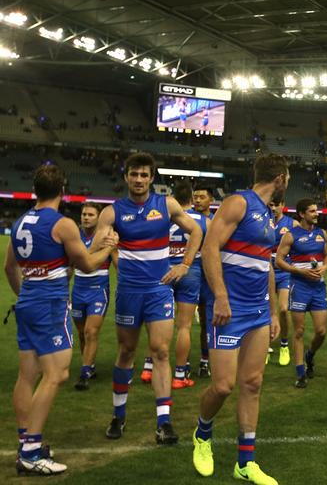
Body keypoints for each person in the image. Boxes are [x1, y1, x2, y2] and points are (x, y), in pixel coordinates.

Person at [4, 165, 117, 475]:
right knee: (57, 374)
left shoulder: (19, 221)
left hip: (27, 303)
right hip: (49, 305)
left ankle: (25, 439)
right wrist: (107, 247)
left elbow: (9, 268)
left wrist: (24, 294)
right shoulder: (63, 224)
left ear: (35, 190)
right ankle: (31, 451)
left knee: (27, 375)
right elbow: (88, 265)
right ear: (63, 190)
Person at [192, 154, 287, 484]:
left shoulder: (269, 216)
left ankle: (245, 463)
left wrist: (274, 311)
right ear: (280, 178)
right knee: (222, 386)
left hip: (258, 310)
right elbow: (209, 248)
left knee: (253, 383)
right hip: (229, 310)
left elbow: (266, 265)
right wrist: (220, 295)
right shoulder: (238, 203)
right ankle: (202, 434)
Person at [95, 152, 203, 444]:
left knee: (161, 351)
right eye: (134, 174)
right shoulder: (112, 212)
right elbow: (94, 248)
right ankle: (118, 415)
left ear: (152, 178)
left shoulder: (166, 205)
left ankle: (164, 422)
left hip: (158, 291)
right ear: (126, 177)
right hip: (129, 291)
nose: (139, 179)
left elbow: (196, 231)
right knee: (127, 351)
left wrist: (184, 264)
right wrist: (108, 243)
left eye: (144, 175)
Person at [276, 198, 327, 388]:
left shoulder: (321, 233)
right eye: (312, 211)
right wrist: (298, 270)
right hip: (299, 287)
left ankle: (310, 355)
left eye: (317, 210)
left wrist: (325, 268)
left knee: (322, 331)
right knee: (298, 331)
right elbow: (279, 261)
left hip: (318, 288)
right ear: (302, 214)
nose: (317, 214)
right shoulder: (291, 236)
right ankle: (300, 373)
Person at [72, 202, 117, 391]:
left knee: (91, 331)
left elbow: (116, 262)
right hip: (78, 290)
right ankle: (89, 366)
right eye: (84, 214)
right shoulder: (74, 236)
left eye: (91, 214)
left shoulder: (107, 236)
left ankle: (84, 374)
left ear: (99, 218)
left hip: (98, 289)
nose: (86, 217)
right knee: (82, 334)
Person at [168, 180, 208, 389]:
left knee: (159, 322)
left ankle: (149, 368)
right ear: (192, 199)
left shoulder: (164, 217)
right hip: (191, 271)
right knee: (185, 326)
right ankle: (179, 374)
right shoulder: (202, 220)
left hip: (165, 270)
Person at [268, 192, 298, 366]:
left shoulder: (291, 223)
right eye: (271, 205)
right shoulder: (263, 221)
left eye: (276, 205)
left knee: (284, 309)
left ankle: (285, 345)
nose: (273, 208)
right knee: (265, 310)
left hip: (284, 271)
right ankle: (265, 346)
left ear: (283, 205)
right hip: (266, 271)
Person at [193, 184, 215, 377]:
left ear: (211, 200)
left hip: (209, 278)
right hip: (190, 275)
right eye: (195, 197)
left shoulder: (217, 221)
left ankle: (204, 360)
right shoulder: (186, 219)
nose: (198, 200)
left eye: (202, 196)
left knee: (208, 321)